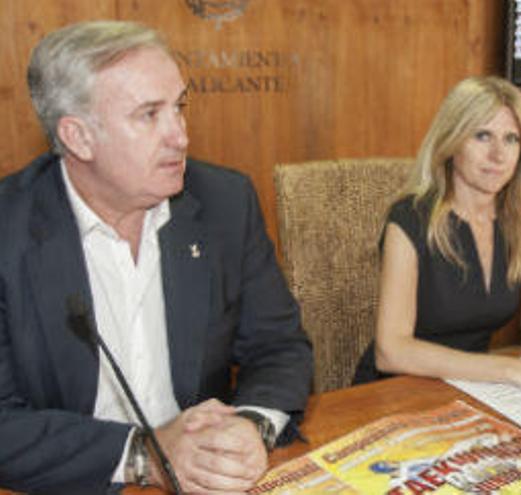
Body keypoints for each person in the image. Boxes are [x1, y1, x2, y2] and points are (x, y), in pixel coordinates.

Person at [0, 21, 313, 493]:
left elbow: (279, 347)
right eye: (149, 115)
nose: (180, 136)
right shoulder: (9, 230)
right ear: (78, 137)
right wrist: (143, 455)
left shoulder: (226, 202)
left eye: (179, 107)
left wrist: (251, 426)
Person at [353, 76, 521, 393]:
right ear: (451, 142)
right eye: (483, 136)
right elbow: (391, 351)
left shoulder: (520, 221)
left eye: (511, 139)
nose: (498, 155)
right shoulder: (408, 220)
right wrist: (516, 371)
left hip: (474, 390)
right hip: (395, 392)